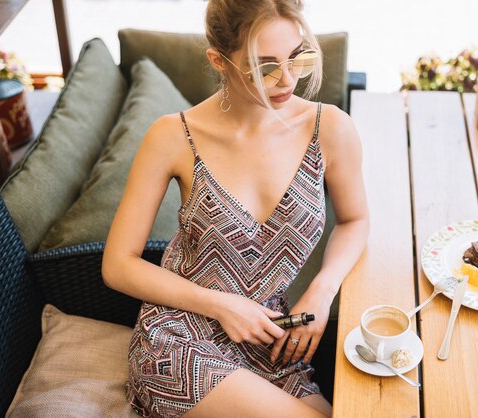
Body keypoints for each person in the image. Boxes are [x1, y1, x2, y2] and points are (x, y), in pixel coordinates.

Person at [102, 0, 369, 416]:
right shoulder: (173, 136)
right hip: (179, 343)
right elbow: (118, 264)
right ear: (218, 61)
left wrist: (322, 291)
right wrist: (223, 305)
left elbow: (355, 220)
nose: (287, 79)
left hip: (272, 341)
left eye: (299, 56)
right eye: (264, 67)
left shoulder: (329, 128)